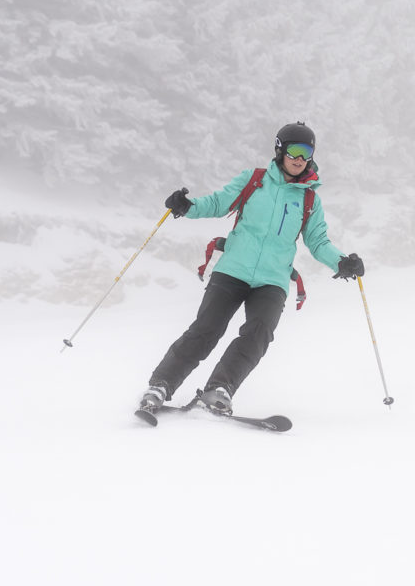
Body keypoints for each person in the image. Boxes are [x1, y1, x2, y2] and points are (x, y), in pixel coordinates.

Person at [137, 121, 364, 418]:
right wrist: (188, 206)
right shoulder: (254, 180)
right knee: (206, 330)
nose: (300, 158)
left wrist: (342, 262)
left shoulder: (309, 199)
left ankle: (220, 389)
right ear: (280, 150)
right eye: (294, 150)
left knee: (259, 334)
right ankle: (160, 386)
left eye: (307, 152)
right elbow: (218, 203)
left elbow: (318, 241)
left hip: (272, 280)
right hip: (232, 271)